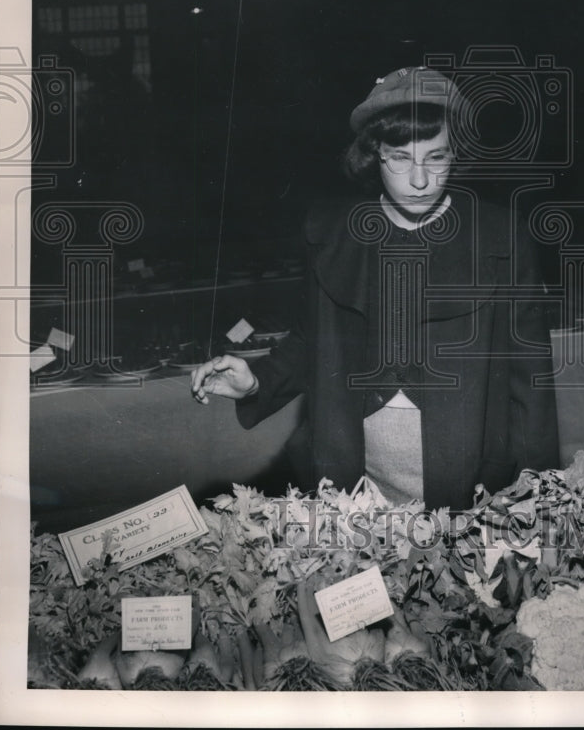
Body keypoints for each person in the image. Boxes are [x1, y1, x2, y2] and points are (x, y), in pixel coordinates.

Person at [191, 66, 559, 509]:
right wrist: (255, 382)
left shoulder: (501, 237)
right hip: (358, 480)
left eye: (437, 157)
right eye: (400, 158)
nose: (419, 180)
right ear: (372, 154)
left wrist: (536, 499)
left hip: (472, 481)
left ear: (457, 153)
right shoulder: (332, 235)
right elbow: (315, 342)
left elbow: (530, 383)